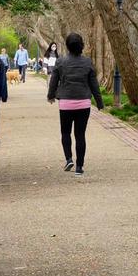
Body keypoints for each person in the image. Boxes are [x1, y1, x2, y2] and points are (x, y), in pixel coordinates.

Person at [47, 32, 103, 177]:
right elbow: (94, 84)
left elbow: (53, 81)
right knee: (80, 135)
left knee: (65, 132)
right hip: (83, 103)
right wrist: (99, 102)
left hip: (65, 103)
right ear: (81, 45)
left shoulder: (61, 62)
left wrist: (51, 96)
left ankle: (69, 159)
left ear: (67, 46)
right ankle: (79, 167)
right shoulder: (87, 62)